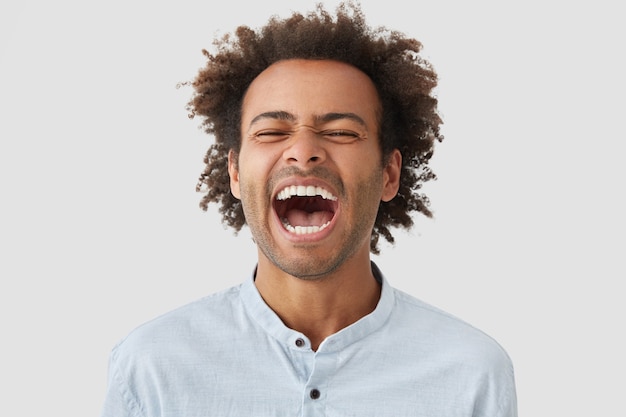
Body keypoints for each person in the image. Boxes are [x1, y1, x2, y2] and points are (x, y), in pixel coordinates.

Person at [100, 2, 517, 416]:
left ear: (389, 174)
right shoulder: (151, 368)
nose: (303, 151)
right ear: (235, 174)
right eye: (271, 131)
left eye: (340, 131)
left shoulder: (471, 373)